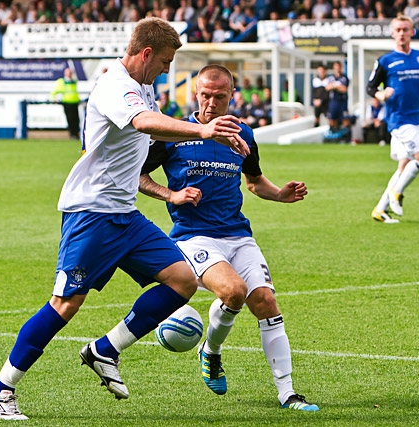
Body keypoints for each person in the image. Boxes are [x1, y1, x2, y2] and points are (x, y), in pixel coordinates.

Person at [0, 17, 249, 421]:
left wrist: (207, 134)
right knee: (65, 304)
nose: (166, 69)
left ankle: (105, 350)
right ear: (145, 54)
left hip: (124, 213)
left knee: (183, 279)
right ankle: (0, 388)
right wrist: (204, 132)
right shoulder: (116, 85)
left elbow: (152, 135)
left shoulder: (143, 85)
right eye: (164, 61)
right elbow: (143, 122)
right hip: (91, 212)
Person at [138, 64, 318, 412]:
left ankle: (287, 393)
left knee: (265, 301)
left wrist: (280, 194)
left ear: (231, 96)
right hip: (194, 237)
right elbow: (137, 176)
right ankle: (212, 352)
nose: (211, 103)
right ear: (196, 93)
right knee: (233, 291)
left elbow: (254, 182)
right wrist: (170, 195)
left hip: (237, 234)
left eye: (219, 96)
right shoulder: (175, 134)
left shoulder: (243, 134)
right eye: (205, 95)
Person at [367, 15, 419, 223]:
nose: (402, 33)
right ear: (393, 34)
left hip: (416, 119)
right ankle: (397, 193)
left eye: (405, 29)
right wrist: (381, 95)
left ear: (412, 32)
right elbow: (371, 87)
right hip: (398, 119)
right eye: (398, 30)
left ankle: (380, 209)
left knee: (404, 166)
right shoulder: (385, 61)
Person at [50, 67, 81, 140]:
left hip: (75, 102)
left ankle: (76, 134)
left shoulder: (74, 81)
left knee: (76, 119)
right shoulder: (62, 81)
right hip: (67, 102)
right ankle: (72, 134)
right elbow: (54, 91)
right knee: (70, 119)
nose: (70, 74)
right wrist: (54, 99)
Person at [324, 61, 350, 142]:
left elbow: (344, 89)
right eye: (335, 67)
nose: (337, 69)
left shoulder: (344, 78)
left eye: (338, 67)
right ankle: (333, 136)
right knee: (332, 119)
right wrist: (337, 86)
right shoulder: (331, 78)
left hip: (342, 101)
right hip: (333, 101)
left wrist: (334, 86)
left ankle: (346, 137)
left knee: (344, 119)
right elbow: (327, 87)